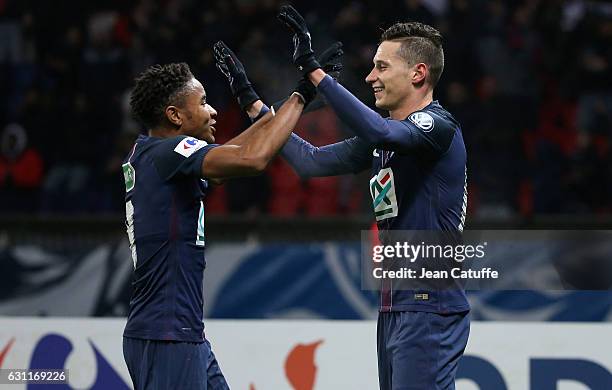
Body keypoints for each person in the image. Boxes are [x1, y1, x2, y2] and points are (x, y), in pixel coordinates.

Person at [274, 6, 470, 390]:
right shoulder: (385, 139)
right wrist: (256, 107)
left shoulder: (437, 126)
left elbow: (383, 134)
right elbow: (309, 162)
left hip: (429, 303)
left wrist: (316, 72)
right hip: (397, 305)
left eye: (381, 67)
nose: (370, 77)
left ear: (418, 73)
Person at [121, 55, 316, 390]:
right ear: (175, 115)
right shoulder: (169, 153)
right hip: (167, 335)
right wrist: (301, 96)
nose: (212, 111)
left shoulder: (155, 154)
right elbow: (253, 158)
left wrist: (263, 103)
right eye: (204, 102)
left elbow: (235, 153)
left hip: (180, 332)